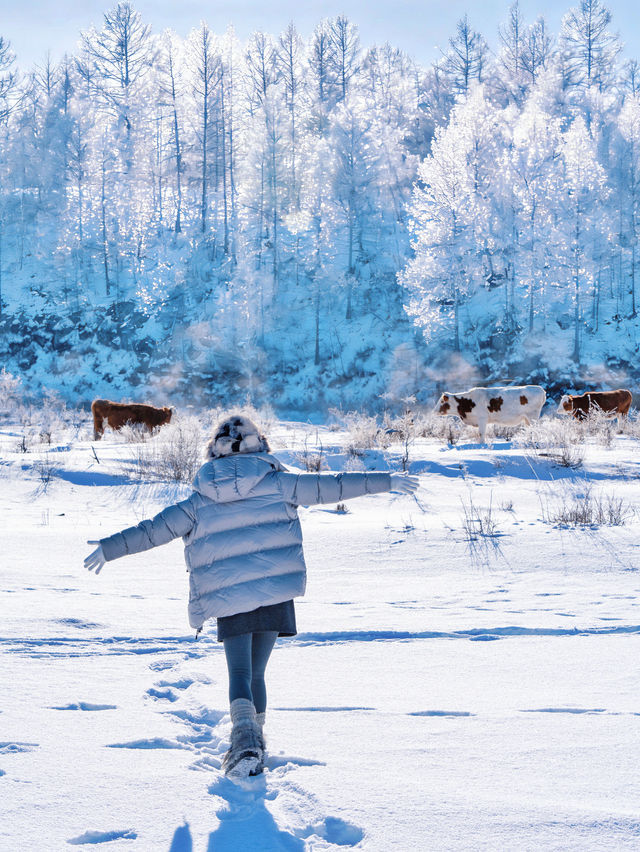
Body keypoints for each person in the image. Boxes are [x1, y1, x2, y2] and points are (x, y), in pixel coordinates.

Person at [84, 414, 419, 778]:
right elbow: (330, 486)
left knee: (240, 672)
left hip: (230, 598)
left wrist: (109, 548)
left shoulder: (200, 498)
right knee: (257, 673)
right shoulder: (279, 483)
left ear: (215, 450)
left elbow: (154, 531)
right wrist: (386, 480)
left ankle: (245, 744)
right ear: (259, 443)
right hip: (275, 594)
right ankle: (253, 744)